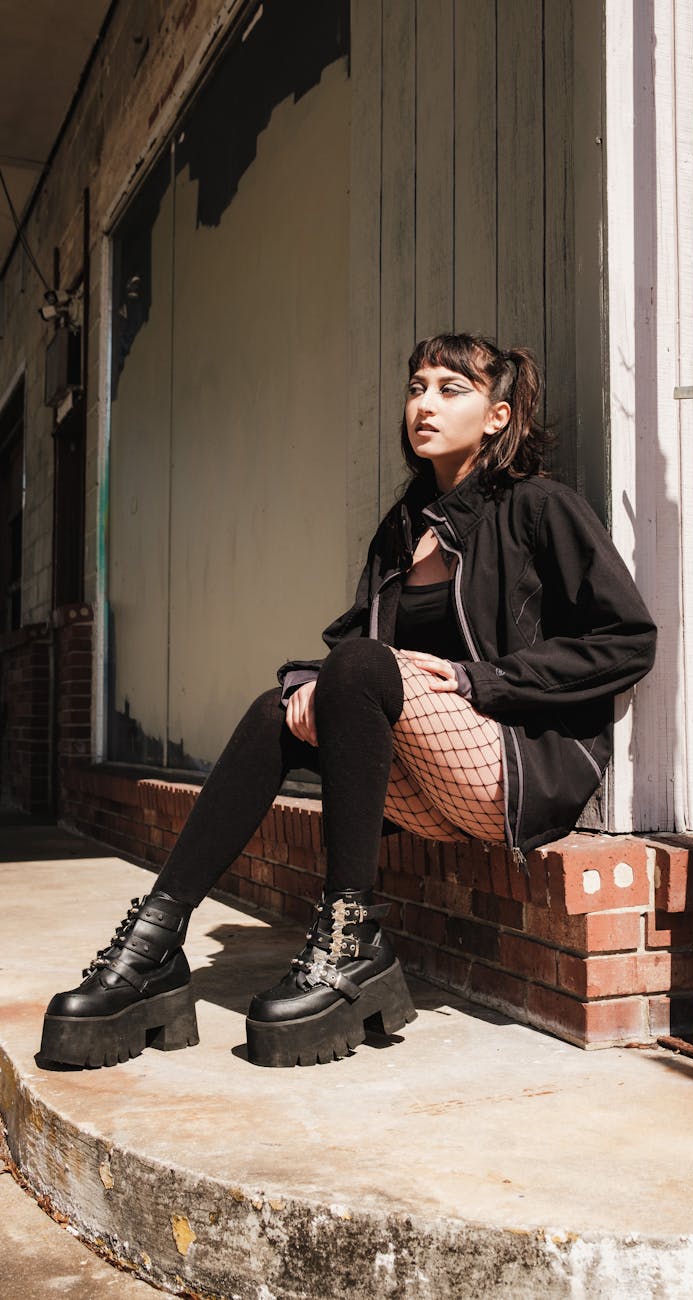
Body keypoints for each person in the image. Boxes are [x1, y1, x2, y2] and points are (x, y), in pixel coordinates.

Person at [40, 333, 656, 1071]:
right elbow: (354, 641)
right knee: (277, 708)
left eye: (450, 390)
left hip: (511, 768)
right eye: (416, 387)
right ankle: (154, 947)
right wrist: (308, 686)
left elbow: (625, 640)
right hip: (430, 781)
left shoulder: (538, 508)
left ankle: (350, 936)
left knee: (358, 668)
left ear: (497, 416)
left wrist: (480, 680)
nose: (425, 404)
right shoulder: (403, 527)